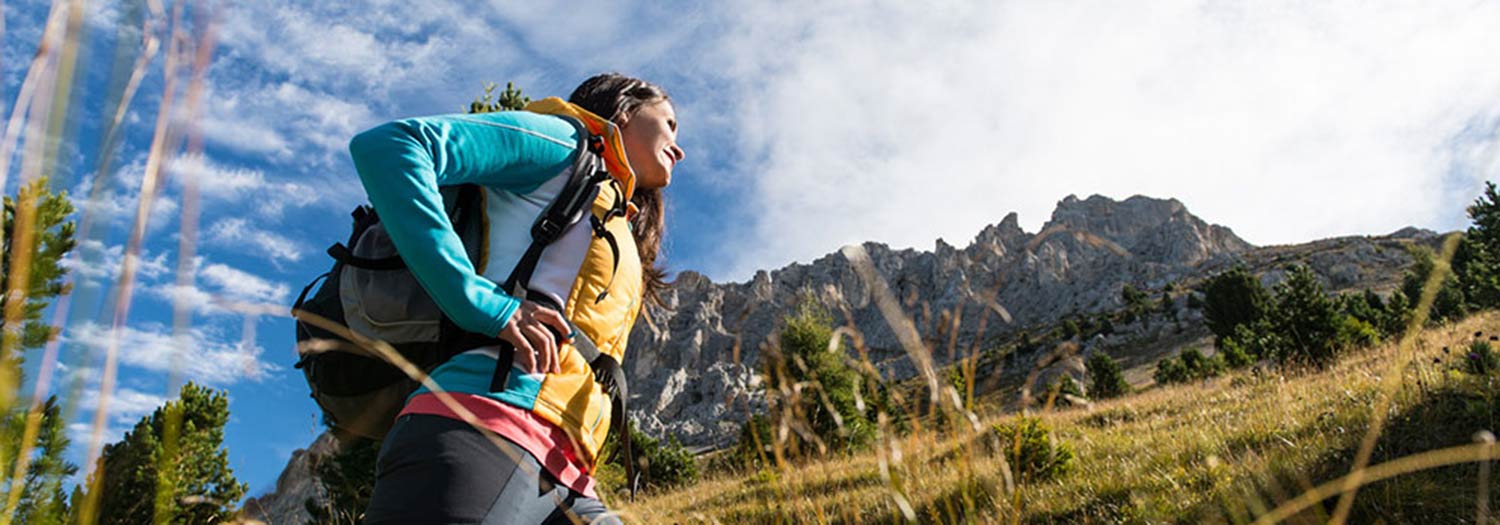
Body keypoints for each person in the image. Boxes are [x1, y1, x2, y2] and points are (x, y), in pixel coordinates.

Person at [352, 73, 684, 524]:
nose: (678, 147)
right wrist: (481, 302)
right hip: (481, 426)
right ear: (625, 111)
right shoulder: (564, 142)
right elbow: (391, 146)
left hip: (567, 471)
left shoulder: (612, 208)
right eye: (669, 123)